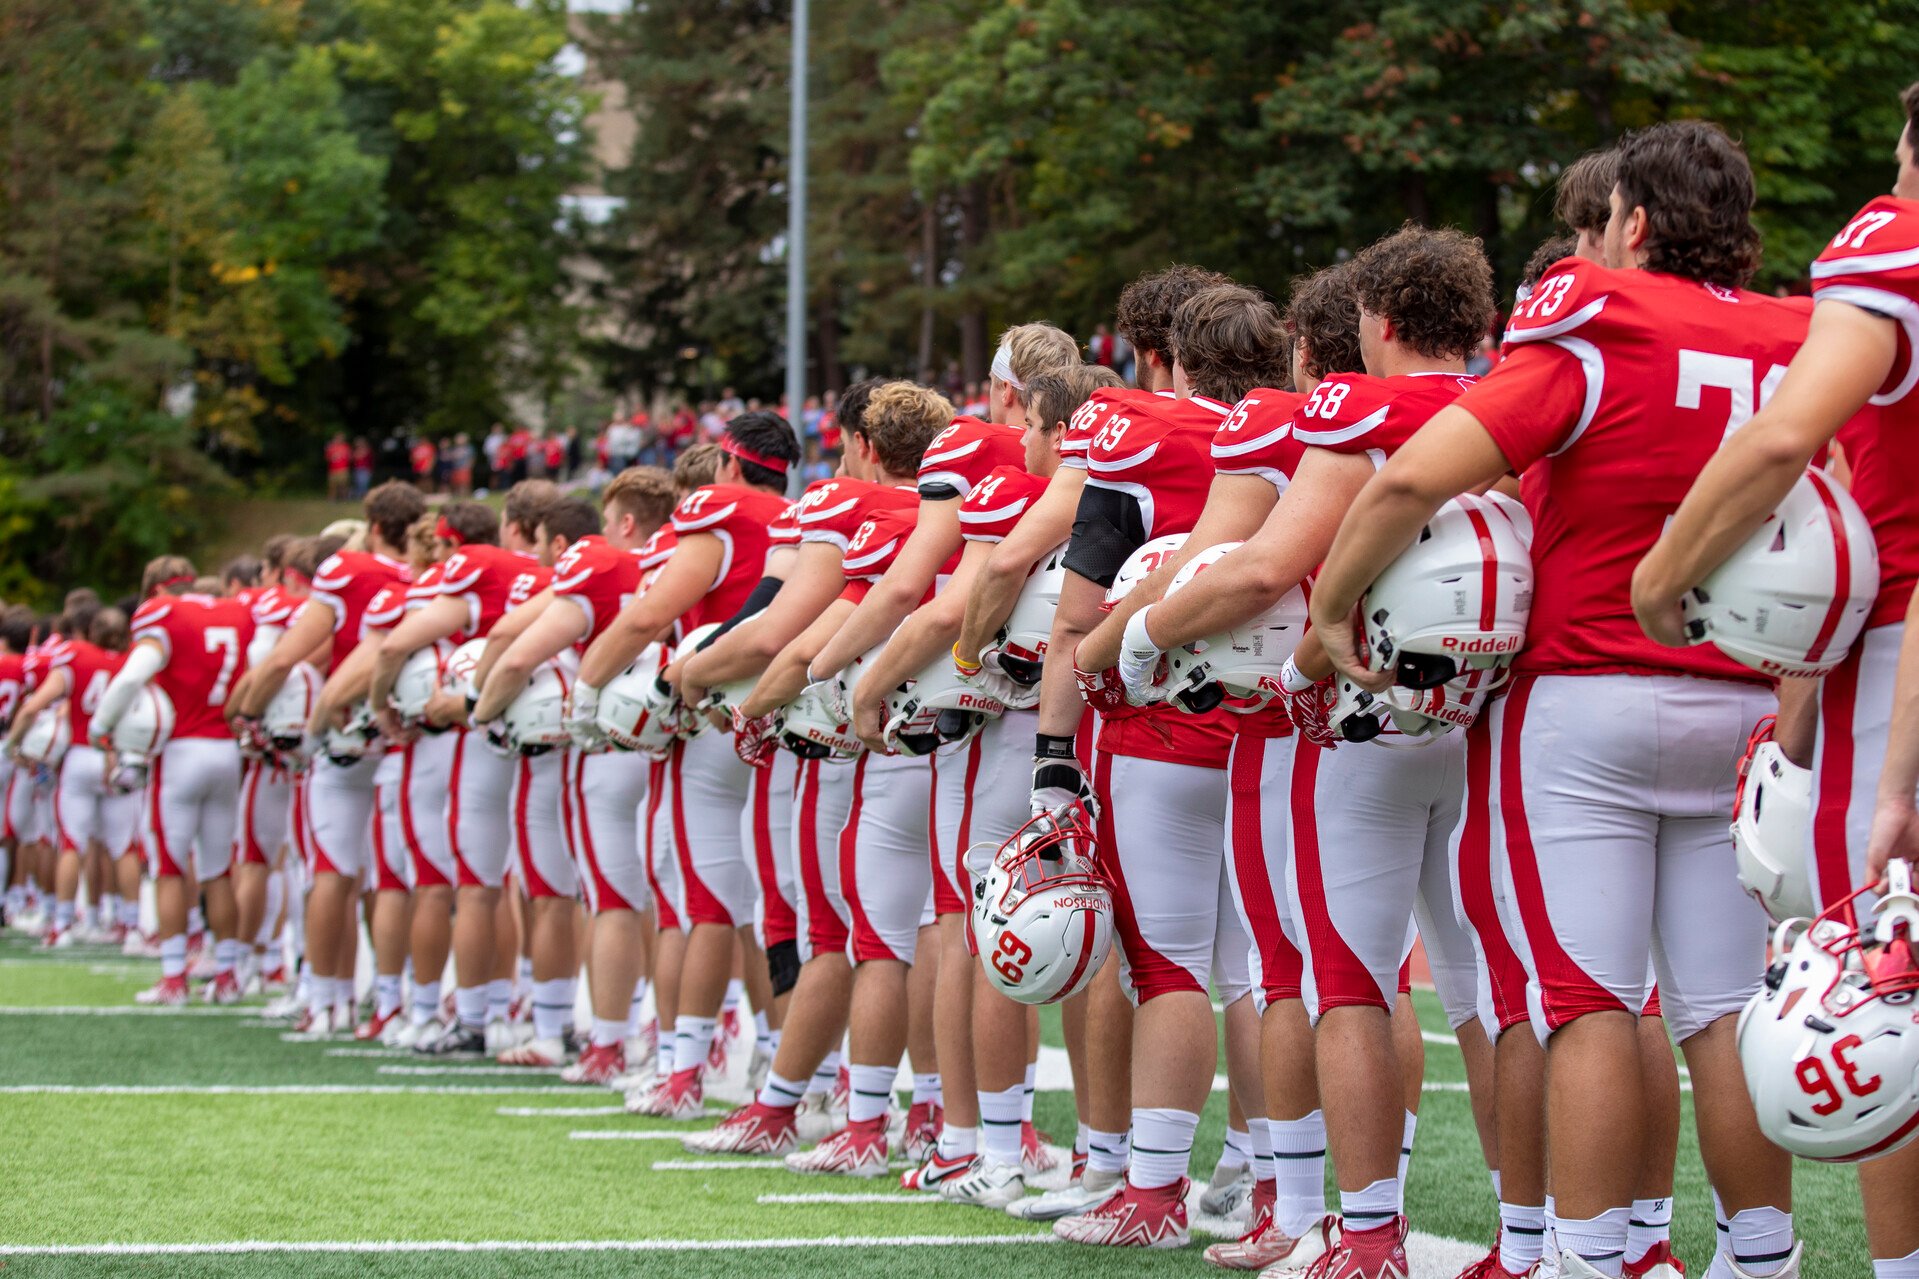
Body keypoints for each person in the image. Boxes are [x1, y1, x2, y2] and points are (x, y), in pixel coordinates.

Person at [1309, 121, 1802, 1279]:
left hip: (1585, 697)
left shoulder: (1597, 316)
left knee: (1581, 998)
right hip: (1739, 704)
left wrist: (1333, 606)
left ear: (1631, 222)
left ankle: (1582, 1259)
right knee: (1720, 1008)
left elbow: (1422, 470)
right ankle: (1759, 1257)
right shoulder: (1793, 339)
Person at [1631, 86, 1919, 1279]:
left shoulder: (1894, 242)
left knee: (1889, 989)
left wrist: (1663, 577)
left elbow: (1775, 439)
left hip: (1897, 642)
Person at [89, 558, 257, 1006]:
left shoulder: (162, 613)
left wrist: (101, 725)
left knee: (168, 867)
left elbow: (132, 675)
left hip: (180, 751)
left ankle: (173, 978)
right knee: (218, 869)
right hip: (226, 750)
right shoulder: (235, 611)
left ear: (156, 588)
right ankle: (226, 975)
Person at [326, 434, 351, 502]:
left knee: (343, 485)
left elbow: (350, 457)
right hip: (333, 470)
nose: (339, 440)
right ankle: (332, 499)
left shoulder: (345, 447)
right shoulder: (331, 447)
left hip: (343, 469)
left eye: (340, 438)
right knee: (332, 486)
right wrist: (332, 457)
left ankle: (344, 499)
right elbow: (327, 458)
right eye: (337, 438)